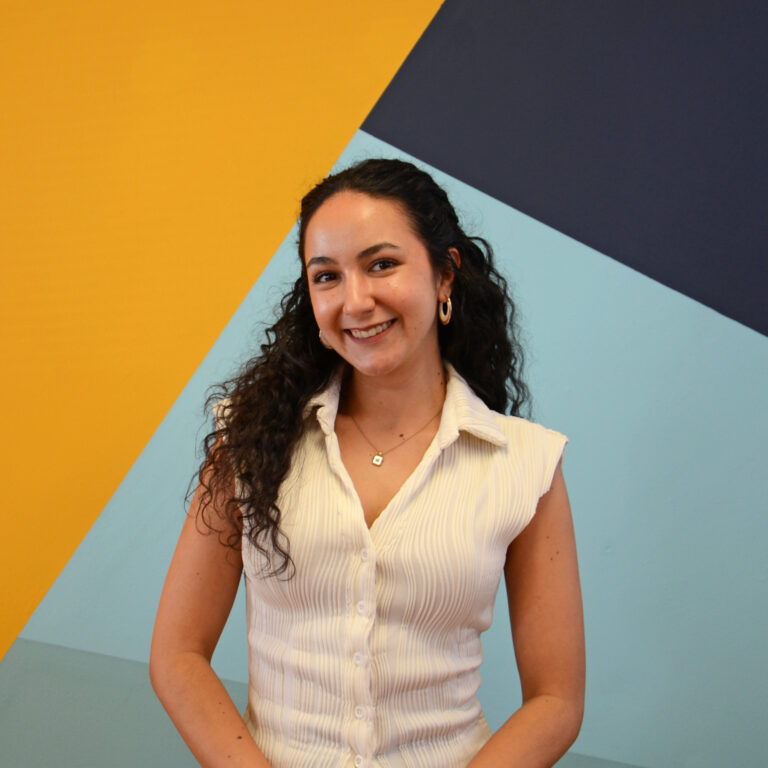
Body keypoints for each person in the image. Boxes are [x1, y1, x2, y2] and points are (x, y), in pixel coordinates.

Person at [150, 158, 585, 768]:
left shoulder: (526, 463)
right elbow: (177, 655)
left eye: (382, 264)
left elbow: (556, 699)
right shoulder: (249, 439)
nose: (355, 301)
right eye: (327, 276)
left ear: (445, 274)